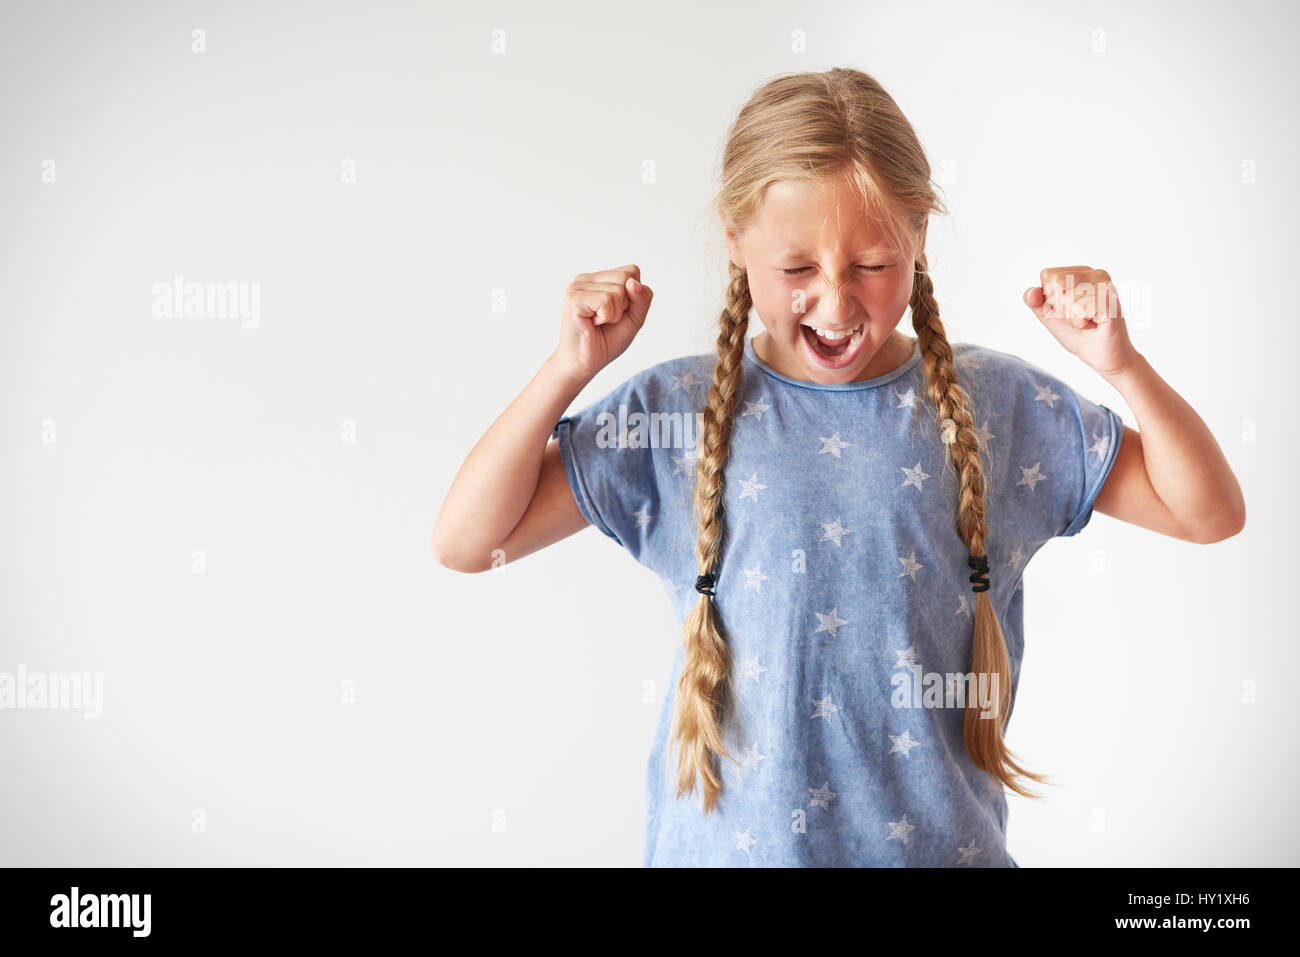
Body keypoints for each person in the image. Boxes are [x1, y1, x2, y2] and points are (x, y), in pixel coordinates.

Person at [432, 68, 1246, 867]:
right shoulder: (676, 415)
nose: (834, 301)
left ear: (919, 234)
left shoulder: (994, 404)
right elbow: (468, 539)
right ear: (734, 238)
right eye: (796, 270)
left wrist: (1123, 365)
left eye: (872, 264)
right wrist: (565, 370)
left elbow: (1208, 512)